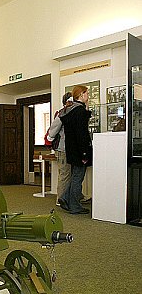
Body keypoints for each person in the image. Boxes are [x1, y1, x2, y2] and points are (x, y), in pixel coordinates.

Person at [58, 85, 92, 214]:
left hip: (71, 150)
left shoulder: (70, 110)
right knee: (78, 178)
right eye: (86, 93)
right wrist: (84, 153)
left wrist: (86, 106)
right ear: (81, 95)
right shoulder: (80, 111)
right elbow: (82, 134)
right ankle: (75, 206)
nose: (88, 96)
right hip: (80, 151)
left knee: (74, 177)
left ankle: (65, 198)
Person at [47, 92, 73, 205]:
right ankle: (60, 199)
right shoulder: (62, 113)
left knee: (69, 174)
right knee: (64, 174)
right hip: (62, 148)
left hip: (69, 148)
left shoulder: (70, 112)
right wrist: (50, 138)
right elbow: (53, 129)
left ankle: (70, 196)